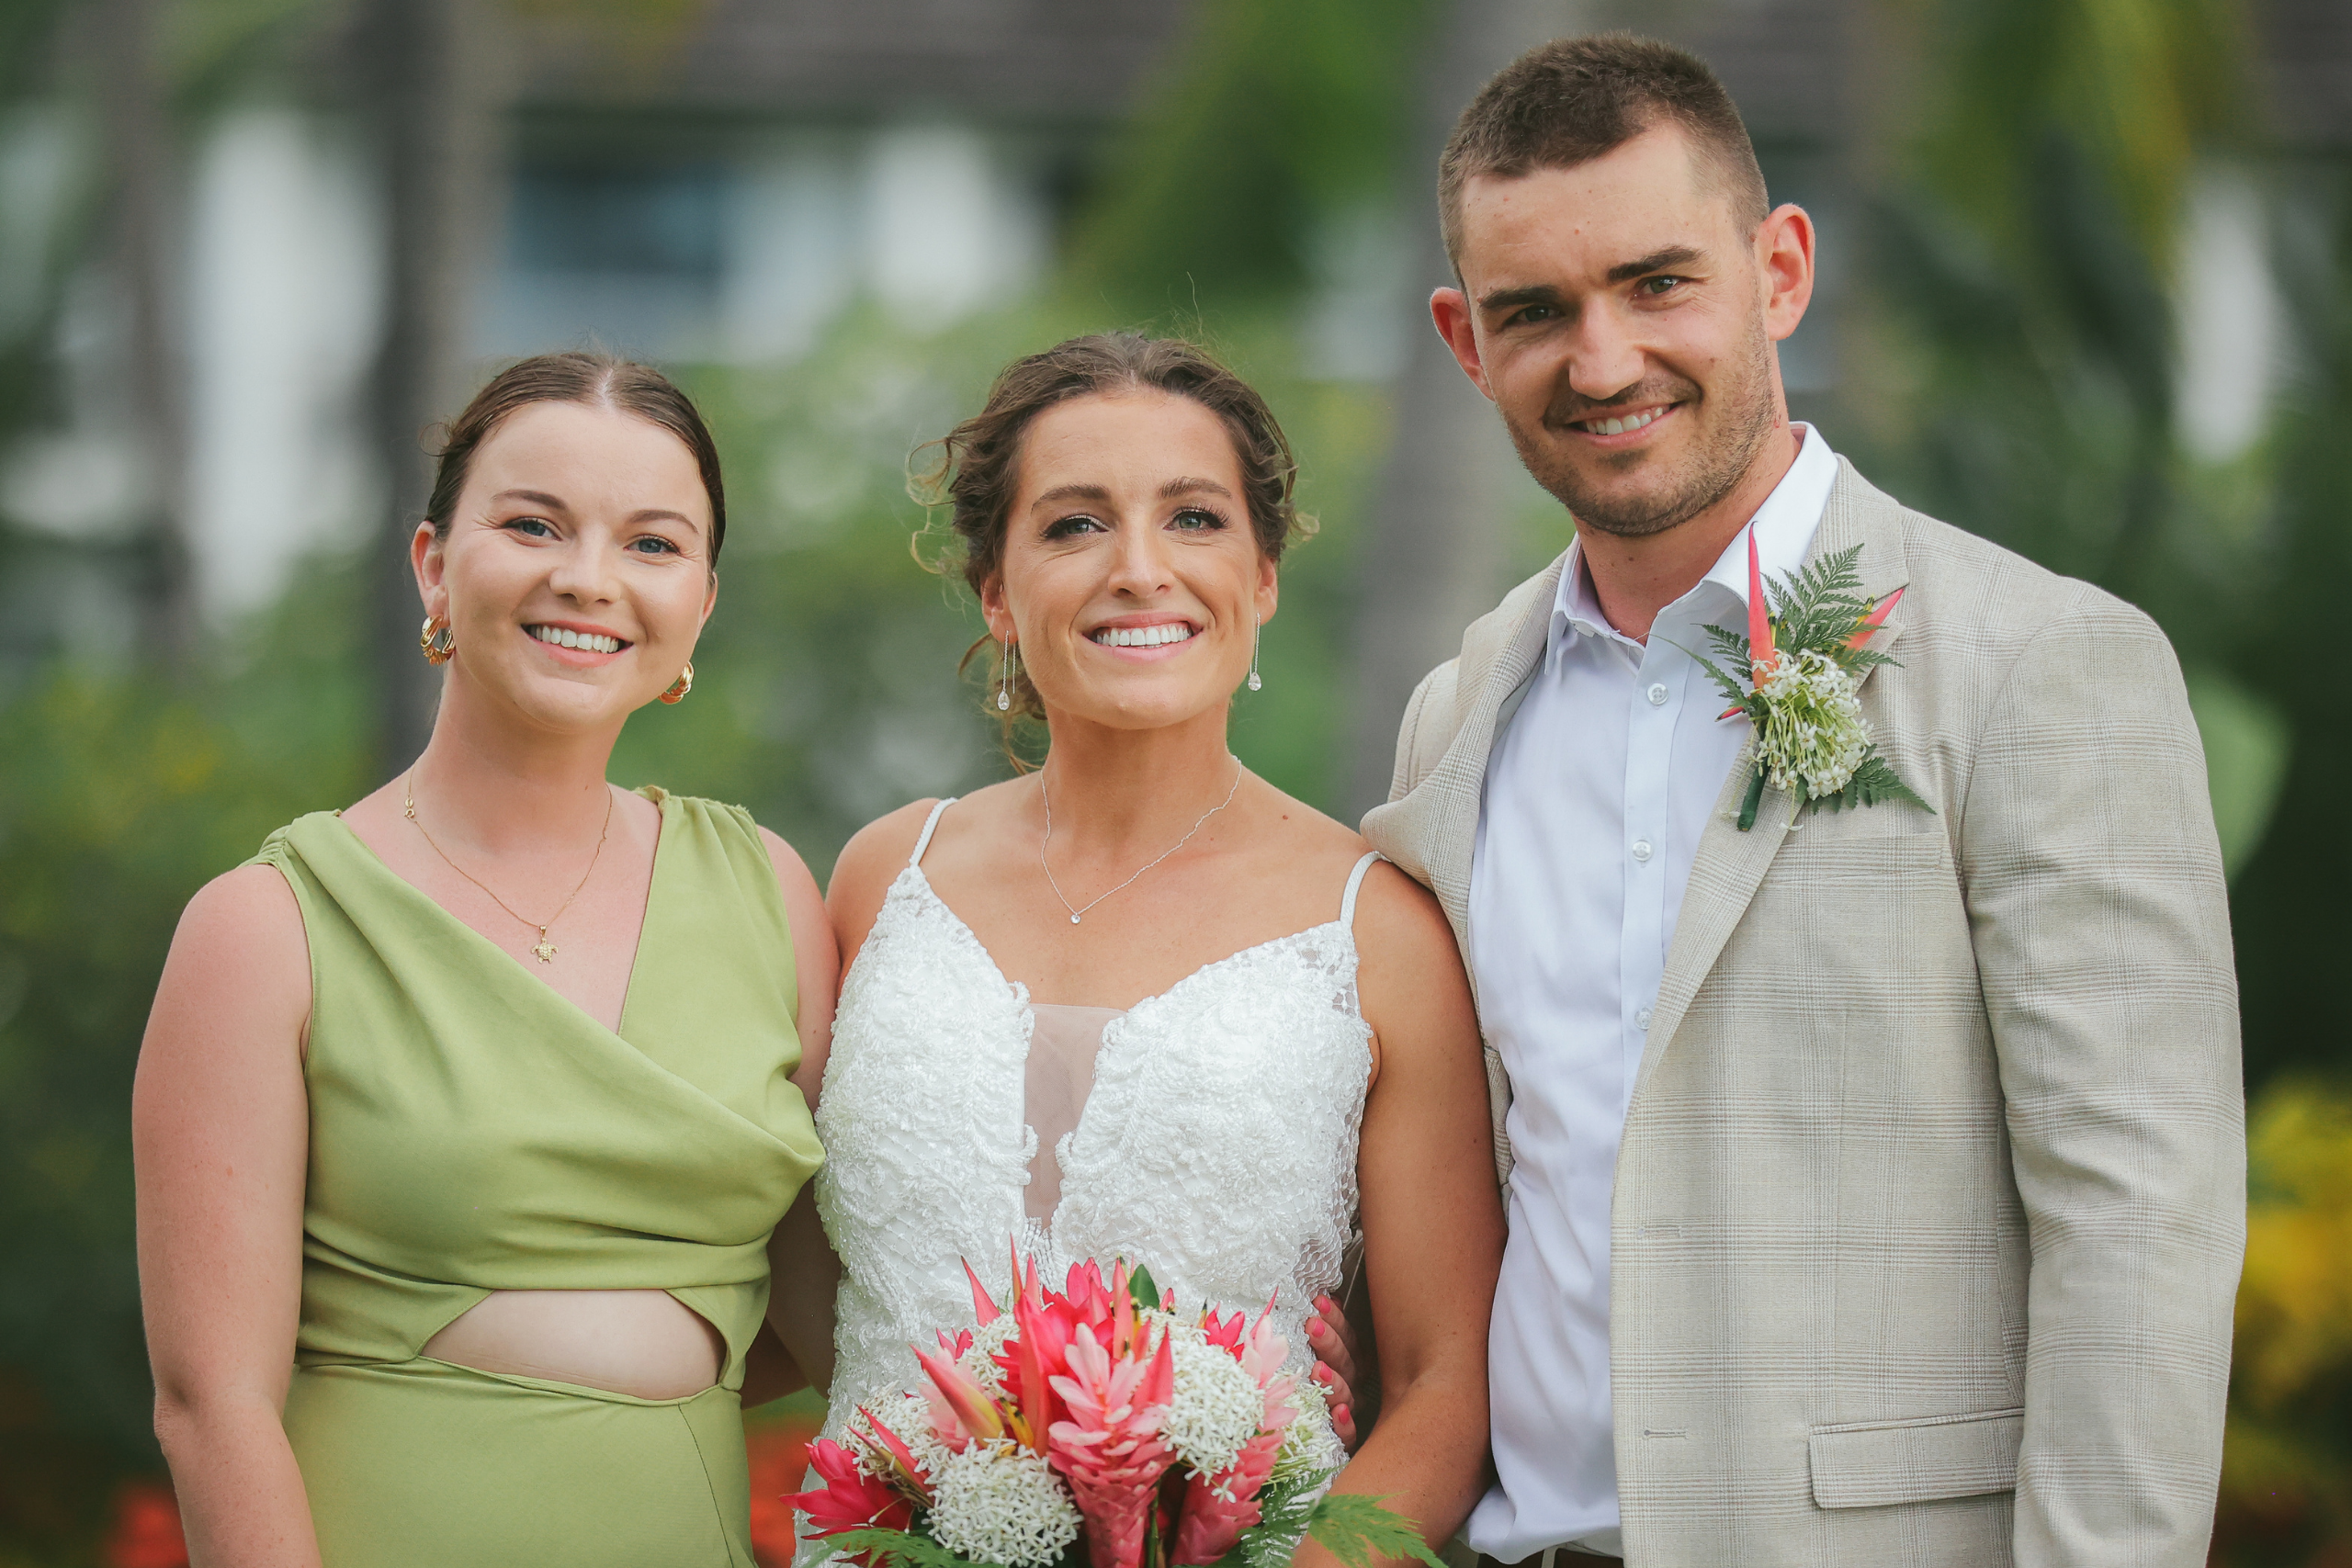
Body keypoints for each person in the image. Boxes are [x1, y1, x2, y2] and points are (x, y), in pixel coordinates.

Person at [1361, 35, 2245, 1568]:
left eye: (1658, 283)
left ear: (1780, 271)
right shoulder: (1461, 710)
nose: (1602, 362)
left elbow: (2138, 1231)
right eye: (1534, 311)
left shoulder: (2038, 665)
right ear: (1463, 338)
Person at [802, 333, 1504, 1562]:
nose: (1140, 570)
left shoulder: (1380, 928)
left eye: (1194, 518)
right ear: (996, 590)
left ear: (1263, 576)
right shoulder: (881, 881)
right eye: (1076, 525)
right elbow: (800, 1287)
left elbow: (1447, 1383)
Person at [133, 352, 833, 1568]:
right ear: (433, 565)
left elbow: (829, 1308)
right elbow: (212, 1405)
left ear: (701, 604)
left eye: (652, 543)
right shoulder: (267, 926)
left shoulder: (767, 889)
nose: (589, 578)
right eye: (533, 525)